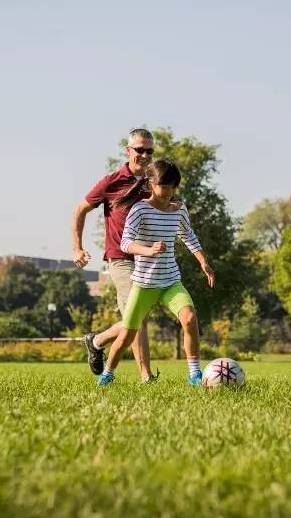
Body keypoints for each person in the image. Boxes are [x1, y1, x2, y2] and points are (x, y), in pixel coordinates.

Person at [97, 159, 215, 387]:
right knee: (127, 335)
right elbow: (125, 243)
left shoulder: (179, 210)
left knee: (190, 319)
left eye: (172, 186)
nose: (168, 191)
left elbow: (188, 236)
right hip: (144, 283)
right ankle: (108, 373)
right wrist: (148, 250)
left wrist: (203, 262)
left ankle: (194, 375)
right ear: (151, 184)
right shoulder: (140, 209)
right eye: (164, 185)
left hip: (170, 281)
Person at [72, 128, 157, 382]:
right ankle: (146, 376)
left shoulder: (154, 181)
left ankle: (96, 341)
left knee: (134, 317)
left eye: (149, 150)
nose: (144, 155)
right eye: (139, 149)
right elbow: (80, 210)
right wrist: (77, 247)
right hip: (120, 258)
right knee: (137, 314)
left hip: (147, 259)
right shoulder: (112, 181)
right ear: (128, 150)